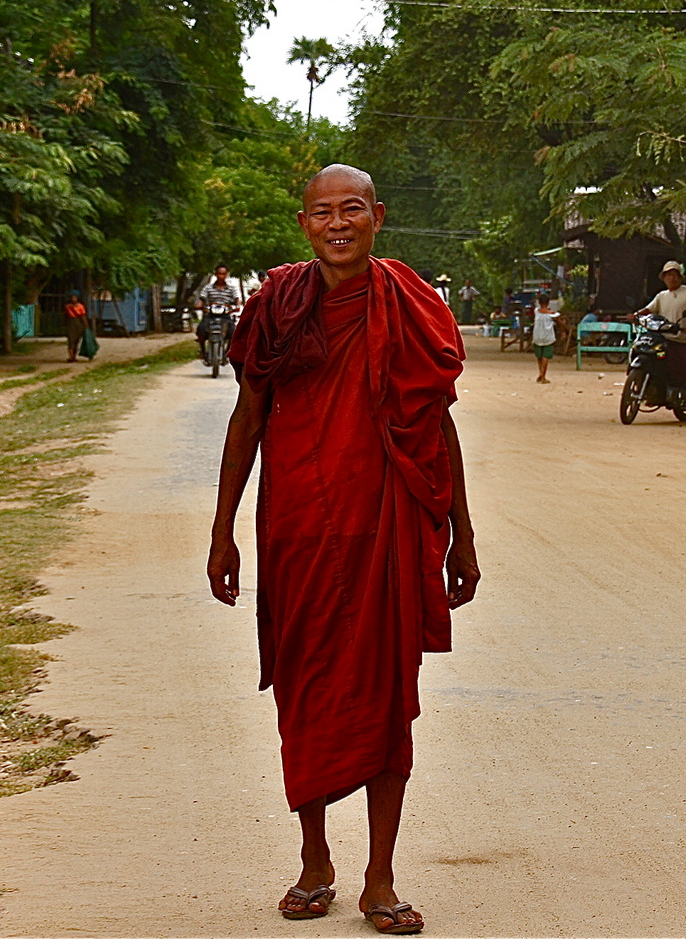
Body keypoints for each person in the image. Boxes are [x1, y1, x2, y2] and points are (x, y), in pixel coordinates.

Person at [207, 165, 479, 932]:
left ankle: (381, 877)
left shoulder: (413, 304)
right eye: (322, 212)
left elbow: (436, 419)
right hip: (297, 522)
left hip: (390, 521)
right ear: (303, 225)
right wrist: (222, 528)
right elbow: (248, 414)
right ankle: (315, 859)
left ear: (377, 216)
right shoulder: (278, 306)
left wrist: (464, 532)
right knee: (307, 689)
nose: (337, 224)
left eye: (351, 209)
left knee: (389, 696)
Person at [636, 261, 686, 422]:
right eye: (668, 275)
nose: (671, 278)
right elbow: (649, 309)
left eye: (674, 275)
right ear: (664, 278)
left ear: (680, 277)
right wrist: (636, 314)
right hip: (665, 338)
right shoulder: (661, 296)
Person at [195, 265, 241, 362]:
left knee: (234, 333)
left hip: (225, 315)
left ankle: (227, 352)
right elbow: (201, 299)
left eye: (223, 274)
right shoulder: (208, 287)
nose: (221, 276)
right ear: (215, 274)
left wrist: (237, 306)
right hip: (210, 315)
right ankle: (203, 351)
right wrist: (199, 305)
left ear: (227, 275)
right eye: (219, 273)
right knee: (201, 330)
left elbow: (237, 299)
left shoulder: (231, 288)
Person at [532, 293, 561, 383]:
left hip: (537, 336)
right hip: (548, 337)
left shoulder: (536, 311)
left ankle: (541, 373)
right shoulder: (553, 314)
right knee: (546, 357)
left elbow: (541, 310)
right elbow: (559, 322)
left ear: (539, 303)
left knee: (539, 357)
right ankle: (543, 376)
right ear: (548, 303)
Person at [64, 290, 88, 362]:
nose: (73, 299)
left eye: (75, 297)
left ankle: (74, 356)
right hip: (70, 324)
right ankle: (71, 357)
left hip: (79, 325)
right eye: (72, 297)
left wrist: (86, 326)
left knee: (77, 341)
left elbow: (83, 316)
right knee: (71, 341)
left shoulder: (81, 306)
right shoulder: (67, 306)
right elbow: (65, 316)